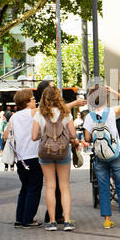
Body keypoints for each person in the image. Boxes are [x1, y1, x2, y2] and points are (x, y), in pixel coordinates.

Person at [83, 85, 120, 229]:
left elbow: (87, 138)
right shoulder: (111, 112)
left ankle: (107, 220)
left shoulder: (89, 117)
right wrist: (113, 91)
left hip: (100, 155)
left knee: (104, 188)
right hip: (116, 152)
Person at [32, 86, 79, 231]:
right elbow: (73, 135)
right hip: (62, 152)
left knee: (50, 186)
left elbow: (34, 137)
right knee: (64, 187)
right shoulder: (66, 113)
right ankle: (66, 221)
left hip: (45, 153)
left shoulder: (39, 114)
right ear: (59, 97)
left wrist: (45, 134)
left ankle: (52, 222)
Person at [4, 89, 43, 229]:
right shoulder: (35, 113)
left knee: (25, 188)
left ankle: (19, 218)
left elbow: (5, 135)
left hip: (20, 158)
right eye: (32, 99)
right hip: (34, 155)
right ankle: (28, 219)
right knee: (34, 188)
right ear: (26, 101)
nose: (35, 100)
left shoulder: (14, 117)